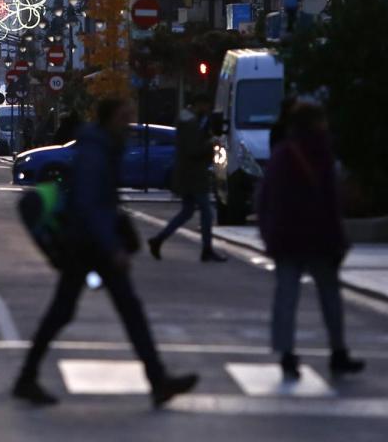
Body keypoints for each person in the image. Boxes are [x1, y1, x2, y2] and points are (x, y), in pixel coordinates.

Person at [13, 99, 200, 408]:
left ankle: (157, 380)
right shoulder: (95, 152)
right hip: (87, 245)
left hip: (88, 243)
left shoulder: (101, 147)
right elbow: (91, 205)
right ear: (111, 118)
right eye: (125, 117)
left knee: (115, 311)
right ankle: (27, 377)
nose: (129, 123)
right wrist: (113, 247)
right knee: (95, 311)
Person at [257, 102, 365, 381]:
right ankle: (338, 351)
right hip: (319, 237)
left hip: (287, 237)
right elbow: (331, 201)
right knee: (330, 297)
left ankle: (286, 354)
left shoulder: (282, 153)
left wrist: (268, 233)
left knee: (286, 297)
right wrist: (339, 239)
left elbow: (265, 196)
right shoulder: (322, 153)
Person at [147, 94, 228, 263]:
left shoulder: (189, 122)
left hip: (188, 174)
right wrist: (211, 144)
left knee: (187, 212)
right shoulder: (190, 124)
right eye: (206, 105)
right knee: (205, 212)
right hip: (194, 175)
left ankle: (159, 239)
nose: (208, 110)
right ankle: (206, 249)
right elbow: (193, 150)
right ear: (200, 104)